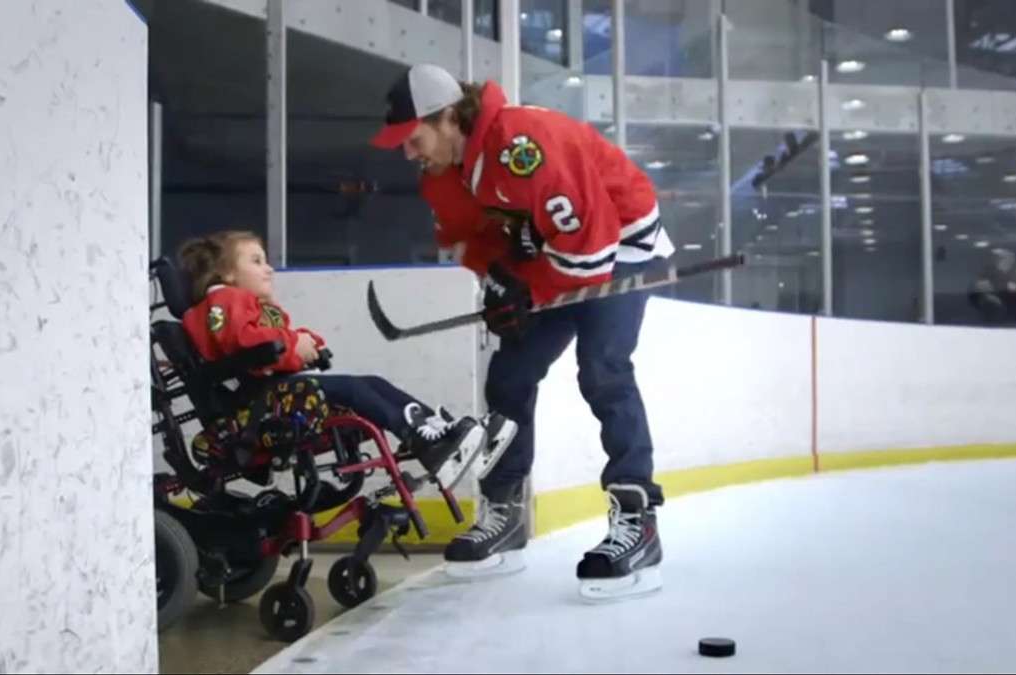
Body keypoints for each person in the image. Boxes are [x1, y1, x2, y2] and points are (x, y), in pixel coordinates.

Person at [370, 64, 675, 601]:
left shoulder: (523, 146)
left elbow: (592, 249)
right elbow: (472, 241)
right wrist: (502, 283)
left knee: (603, 368)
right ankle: (506, 512)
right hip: (557, 257)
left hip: (624, 247)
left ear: (446, 119)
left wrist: (526, 290)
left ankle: (637, 519)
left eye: (413, 139)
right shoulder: (442, 175)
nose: (409, 154)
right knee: (509, 377)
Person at [177, 229, 512, 488]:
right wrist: (293, 345)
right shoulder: (224, 300)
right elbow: (245, 343)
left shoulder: (249, 304)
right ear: (227, 273)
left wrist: (306, 345)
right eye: (256, 261)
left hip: (276, 391)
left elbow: (273, 343)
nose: (268, 269)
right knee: (354, 390)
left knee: (372, 384)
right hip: (256, 402)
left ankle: (435, 432)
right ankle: (427, 444)